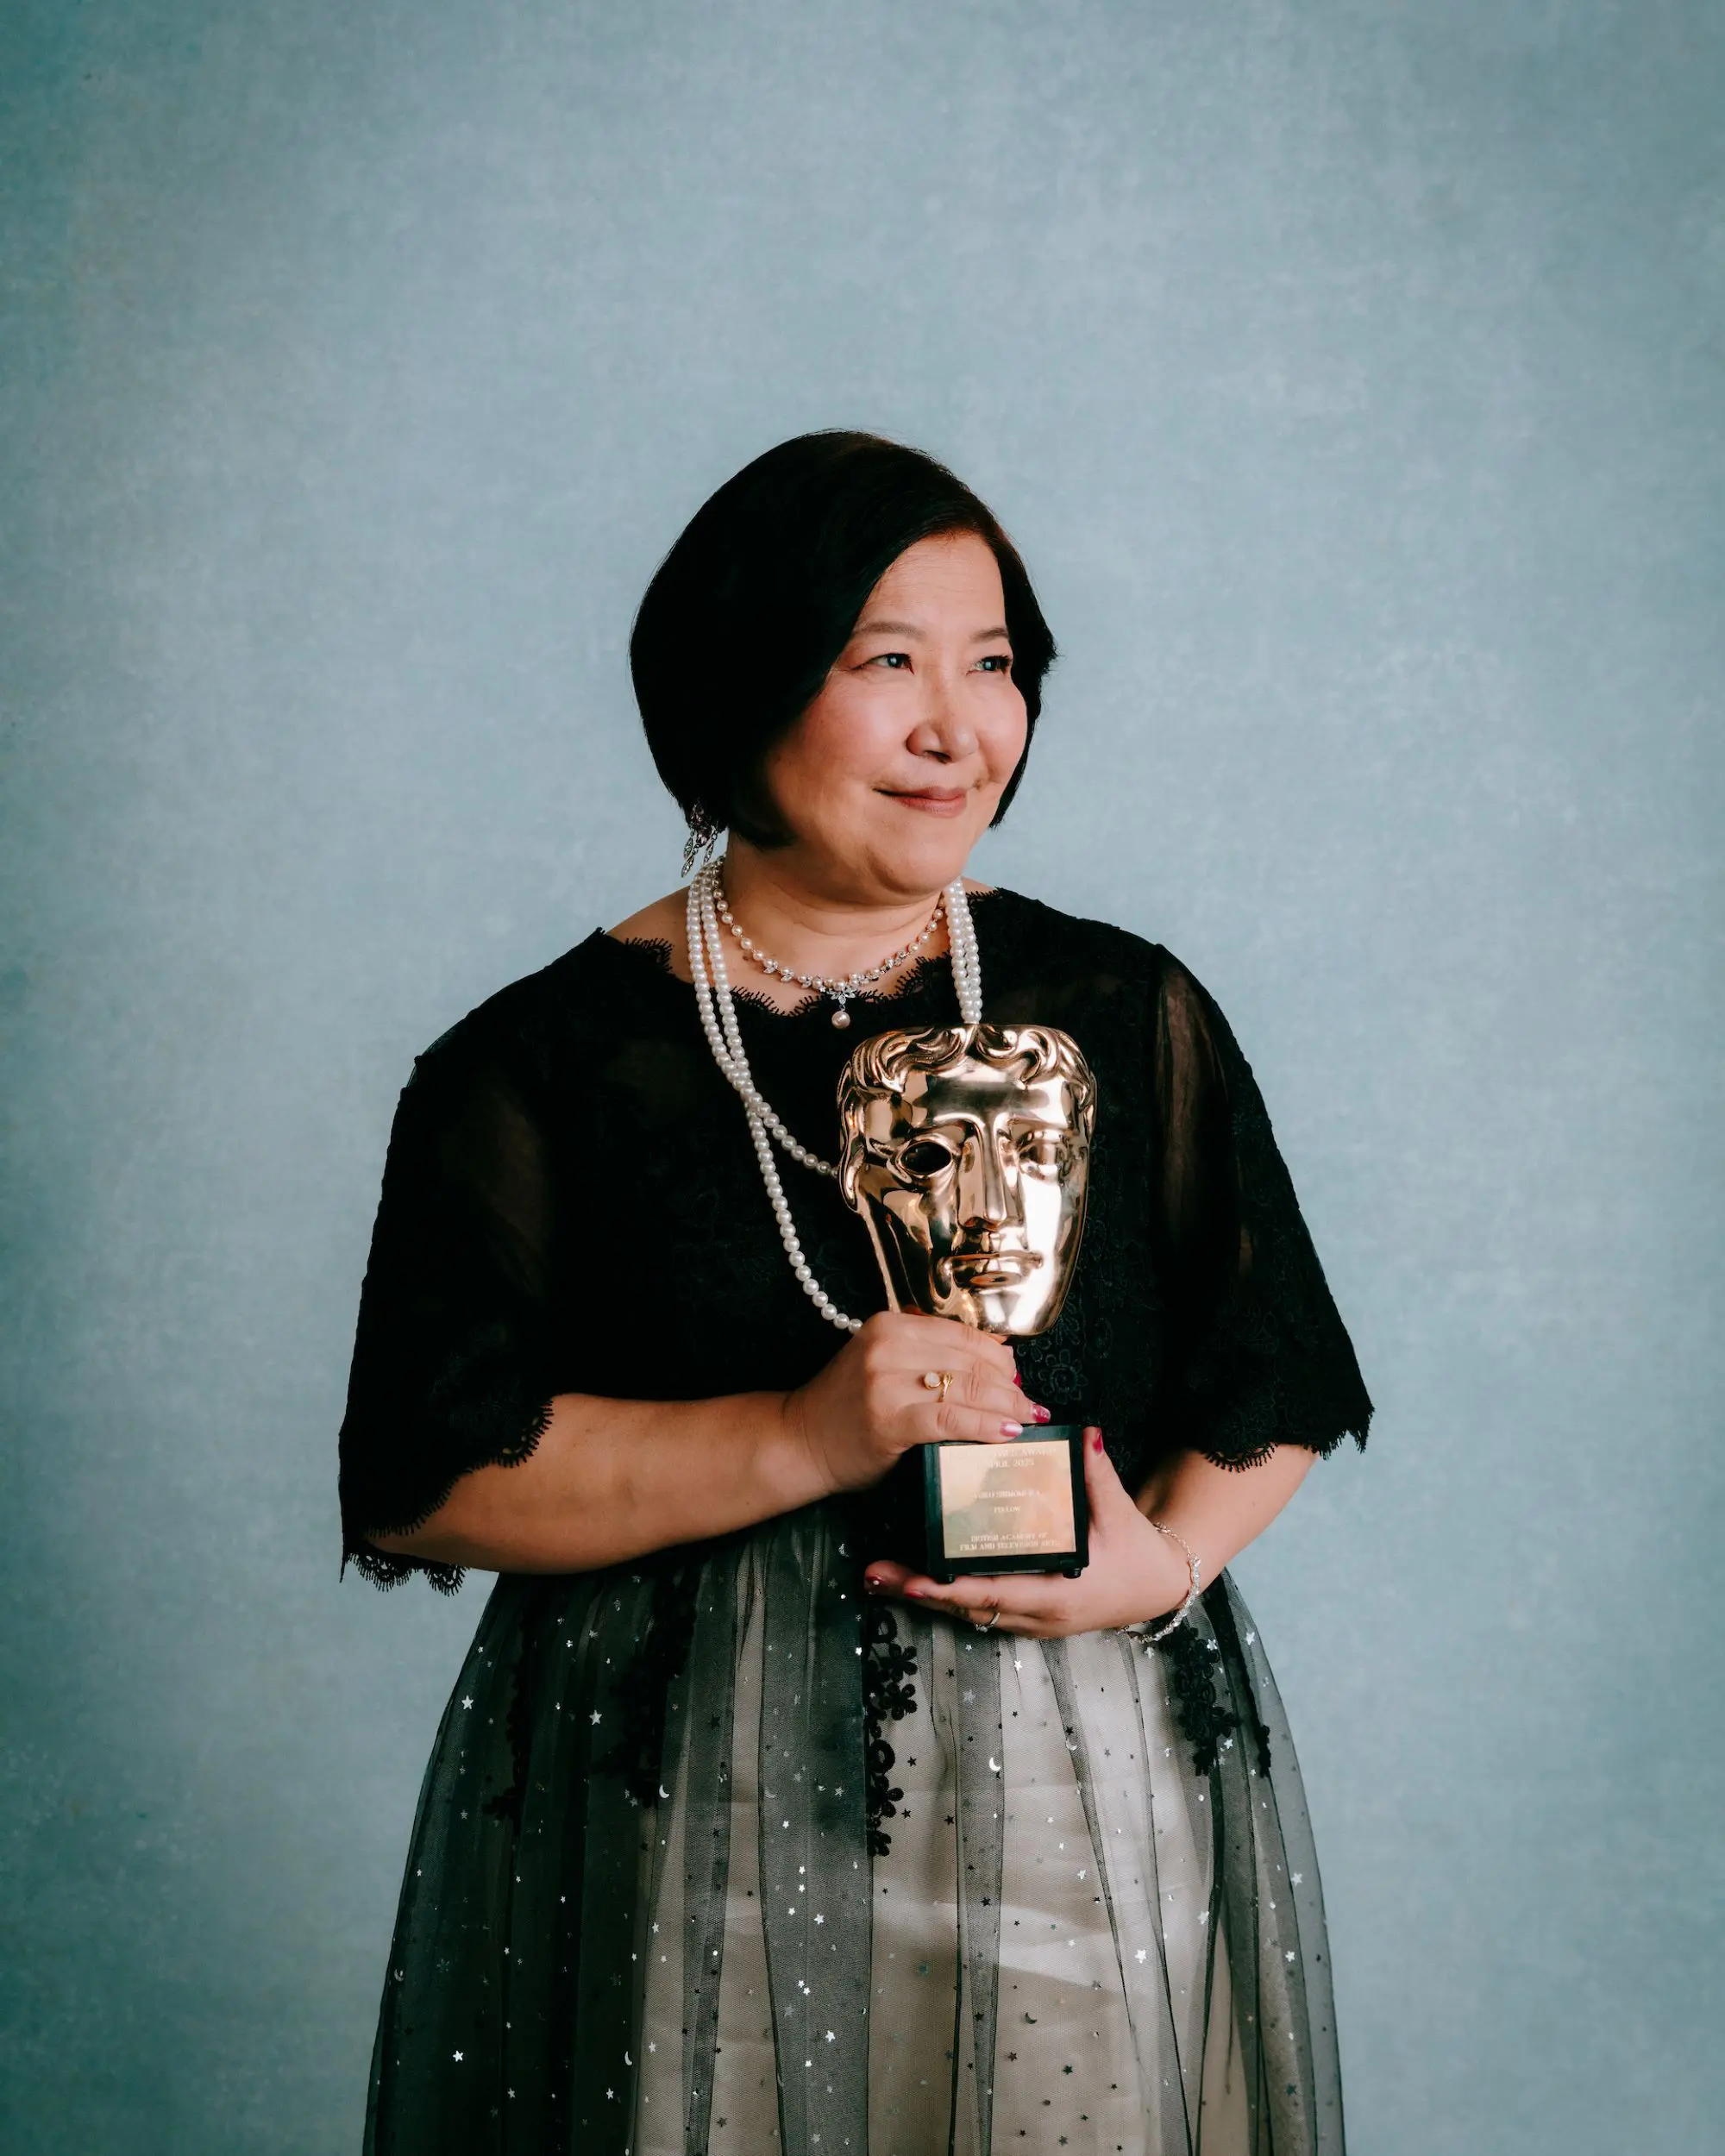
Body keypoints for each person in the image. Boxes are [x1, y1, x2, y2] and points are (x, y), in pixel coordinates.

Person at [337, 430, 1373, 2156]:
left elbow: (1275, 1368)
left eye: (995, 665)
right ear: (735, 682)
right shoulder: (537, 1062)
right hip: (683, 1787)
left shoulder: (1120, 1006)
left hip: (1080, 1771)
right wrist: (797, 1435)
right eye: (886, 662)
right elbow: (429, 1472)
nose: (957, 728)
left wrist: (1169, 1562)